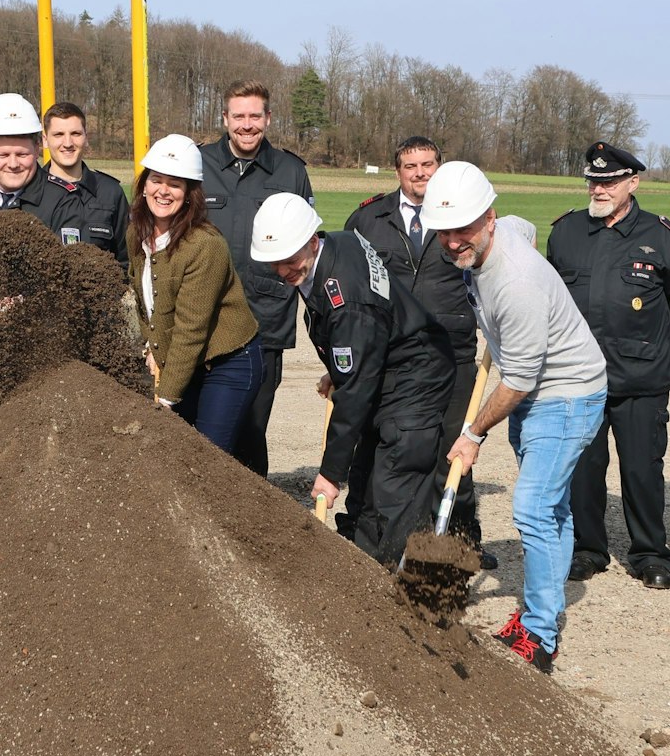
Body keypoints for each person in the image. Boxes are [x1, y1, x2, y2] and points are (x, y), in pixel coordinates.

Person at [429, 162, 607, 674]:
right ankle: (541, 606)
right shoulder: (505, 231)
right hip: (537, 390)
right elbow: (524, 230)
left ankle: (540, 634)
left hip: (566, 395)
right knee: (551, 510)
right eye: (445, 230)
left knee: (531, 508)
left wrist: (472, 433)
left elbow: (520, 379)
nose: (453, 241)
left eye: (464, 228)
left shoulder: (518, 283)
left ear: (489, 216)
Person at [254, 194, 454, 565]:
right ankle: (357, 562)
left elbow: (356, 390)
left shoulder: (348, 299)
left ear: (312, 241)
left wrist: (329, 474)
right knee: (364, 481)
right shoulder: (339, 242)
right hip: (382, 356)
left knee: (396, 480)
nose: (283, 270)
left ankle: (393, 581)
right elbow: (360, 340)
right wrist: (341, 363)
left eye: (290, 260)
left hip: (414, 374)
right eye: (274, 263)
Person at [547, 142, 670, 590]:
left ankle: (650, 553)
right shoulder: (566, 232)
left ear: (633, 182)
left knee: (642, 469)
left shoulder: (663, 236)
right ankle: (587, 549)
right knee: (584, 469)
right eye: (594, 180)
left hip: (640, 377)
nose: (600, 188)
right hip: (581, 377)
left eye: (610, 181)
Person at [346, 136, 495, 571]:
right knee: (382, 448)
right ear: (398, 172)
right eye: (410, 165)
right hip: (390, 358)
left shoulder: (460, 216)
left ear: (439, 166)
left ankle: (465, 541)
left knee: (455, 450)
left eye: (428, 163)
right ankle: (366, 529)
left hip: (452, 354)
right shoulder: (370, 219)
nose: (420, 173)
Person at [199, 80, 314, 477]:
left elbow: (308, 253)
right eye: (238, 116)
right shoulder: (199, 165)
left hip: (266, 324)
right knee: (204, 429)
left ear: (267, 118)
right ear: (225, 118)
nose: (247, 125)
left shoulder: (291, 171)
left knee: (251, 428)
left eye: (255, 116)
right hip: (205, 322)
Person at [127, 135, 262, 454]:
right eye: (156, 180)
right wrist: (151, 348)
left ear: (189, 194)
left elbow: (191, 329)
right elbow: (146, 303)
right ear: (144, 185)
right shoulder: (137, 232)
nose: (163, 190)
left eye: (175, 184)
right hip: (188, 359)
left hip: (228, 362)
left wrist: (166, 399)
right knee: (178, 454)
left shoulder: (204, 245)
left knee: (205, 455)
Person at [0, 94, 83, 234]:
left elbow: (68, 255)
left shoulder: (63, 200)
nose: (13, 164)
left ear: (37, 150)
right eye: (3, 155)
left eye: (22, 155)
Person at [44, 102, 129, 267]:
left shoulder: (110, 193)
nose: (67, 143)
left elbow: (126, 261)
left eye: (75, 133)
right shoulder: (30, 191)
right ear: (45, 140)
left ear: (86, 138)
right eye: (58, 134)